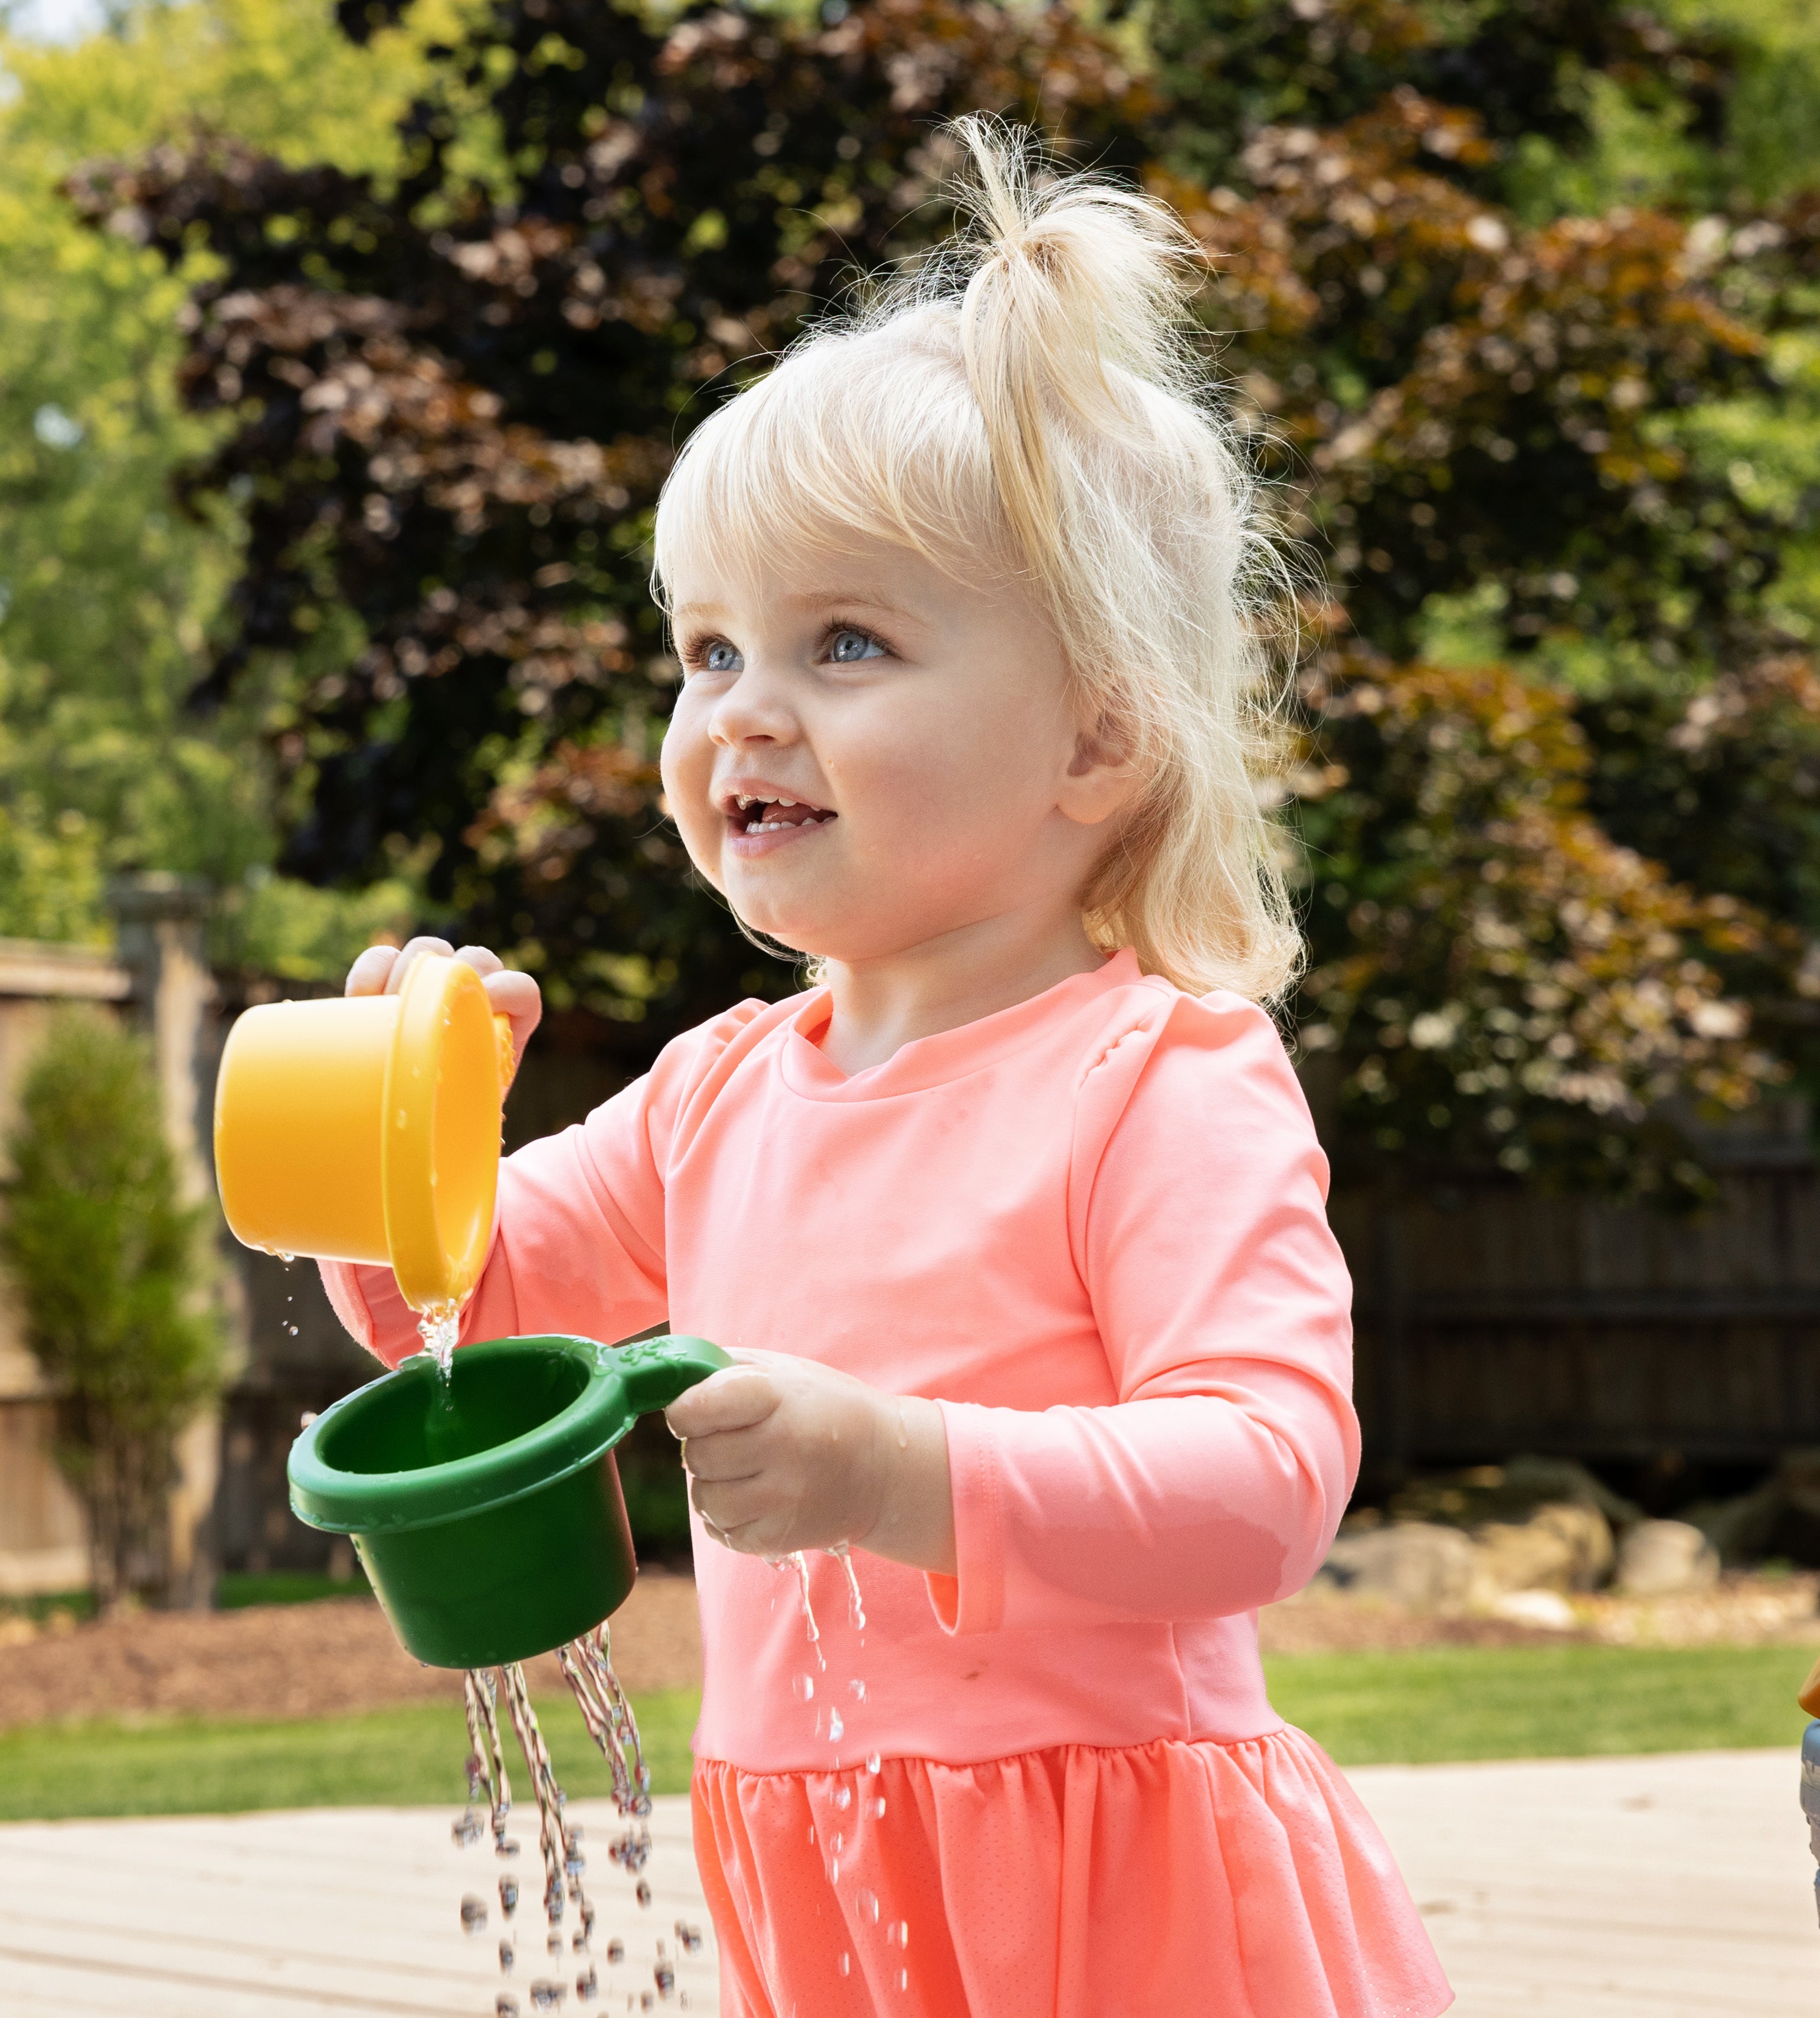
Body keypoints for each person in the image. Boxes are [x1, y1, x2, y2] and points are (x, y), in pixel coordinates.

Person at [319, 114, 1452, 2018]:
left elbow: (1265, 1480)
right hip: (823, 1864)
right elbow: (457, 1310)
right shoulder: (715, 1092)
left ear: (1095, 742)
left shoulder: (1156, 1072)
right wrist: (404, 1121)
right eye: (702, 650)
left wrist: (900, 1469)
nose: (740, 707)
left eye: (843, 640)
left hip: (1126, 1891)